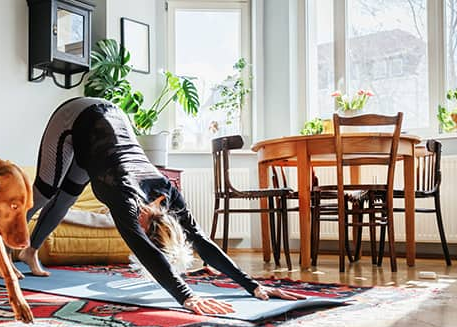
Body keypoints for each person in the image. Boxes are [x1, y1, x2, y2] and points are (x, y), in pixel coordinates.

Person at [18, 97, 306, 315]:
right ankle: (4, 233)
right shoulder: (124, 197)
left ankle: (30, 251)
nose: (136, 235)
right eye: (142, 233)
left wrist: (252, 285)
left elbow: (201, 241)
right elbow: (145, 251)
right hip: (77, 116)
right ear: (147, 226)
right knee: (45, 193)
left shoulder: (169, 194)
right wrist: (186, 296)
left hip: (102, 141)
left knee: (67, 197)